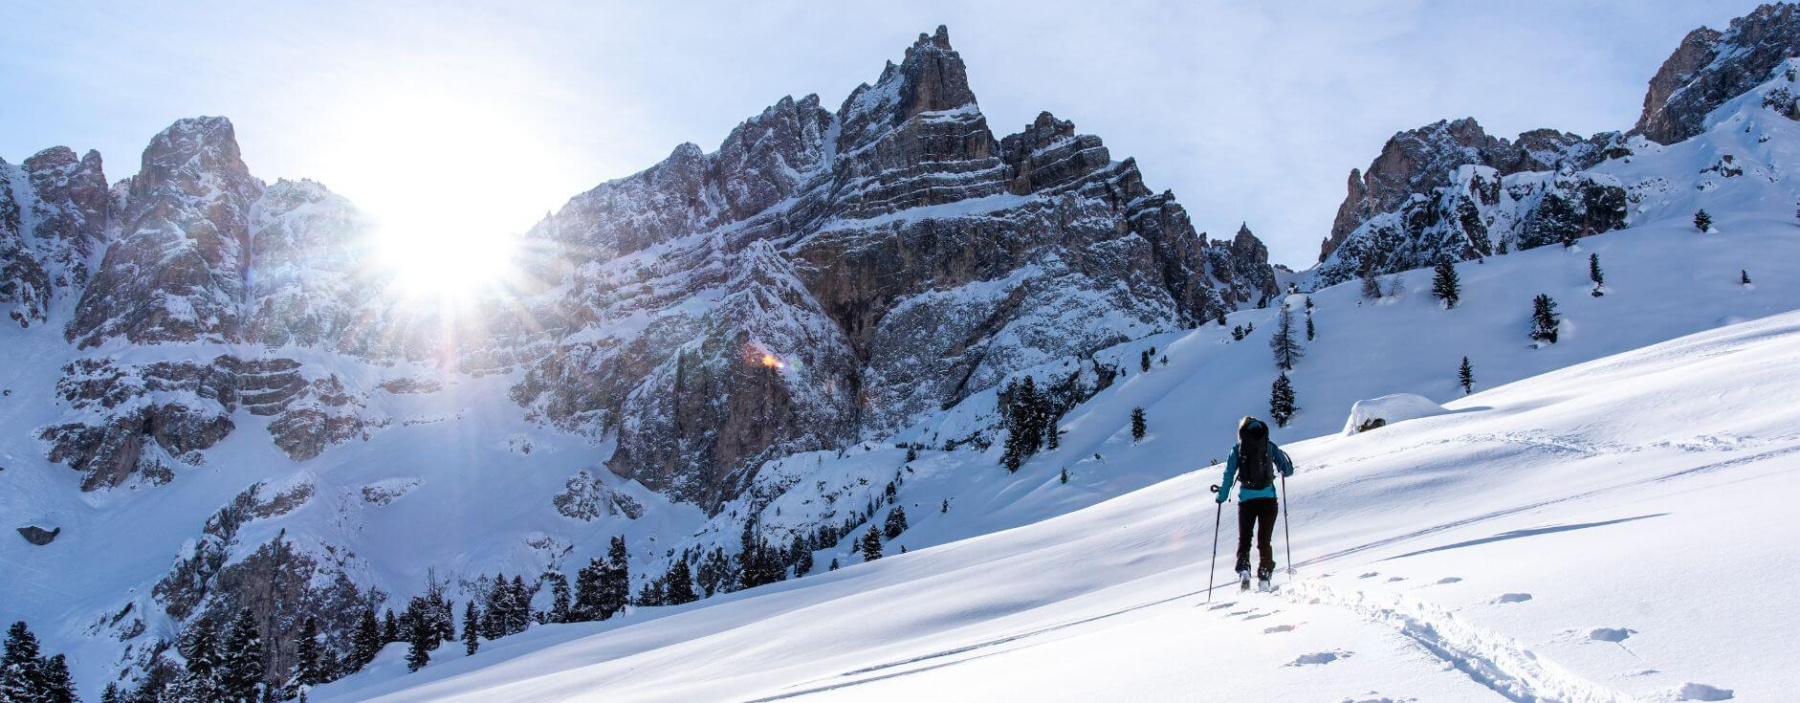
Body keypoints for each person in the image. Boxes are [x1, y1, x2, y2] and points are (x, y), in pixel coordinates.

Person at [1215, 416, 1294, 590]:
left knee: (1245, 539)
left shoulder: (1238, 449)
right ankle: (1264, 575)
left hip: (1247, 501)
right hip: (1268, 499)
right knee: (1264, 540)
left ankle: (1244, 570)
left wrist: (1221, 496)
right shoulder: (1269, 446)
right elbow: (1287, 471)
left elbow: (1228, 475)